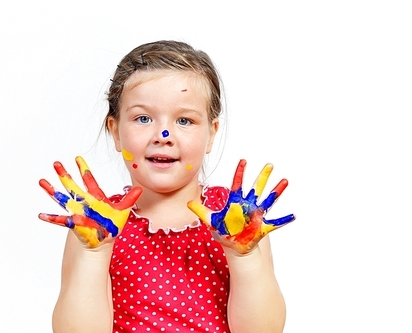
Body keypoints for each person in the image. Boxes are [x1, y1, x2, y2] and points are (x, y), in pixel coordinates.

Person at [38, 40, 296, 333]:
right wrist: (94, 254)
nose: (164, 135)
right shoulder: (97, 225)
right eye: (143, 118)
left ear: (211, 135)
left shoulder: (235, 218)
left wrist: (243, 255)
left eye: (184, 120)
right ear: (116, 131)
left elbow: (264, 330)